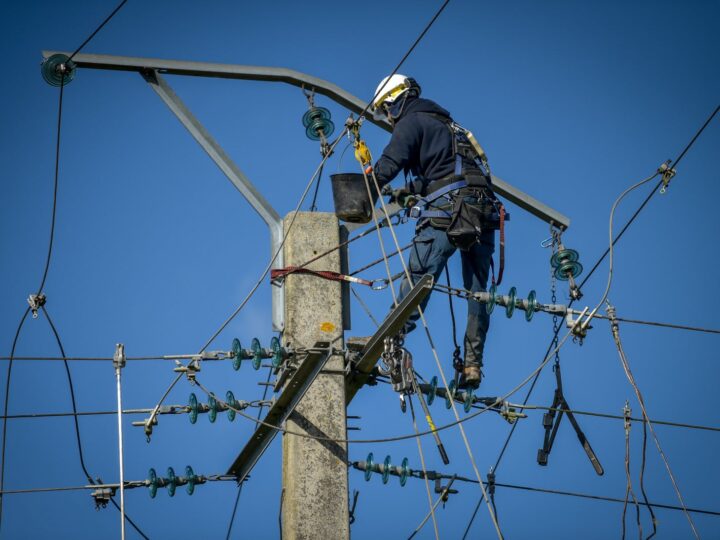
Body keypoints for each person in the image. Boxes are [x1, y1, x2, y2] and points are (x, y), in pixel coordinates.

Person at [370, 74, 501, 389]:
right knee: (477, 292)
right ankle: (472, 364)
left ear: (396, 100)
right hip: (483, 210)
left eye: (386, 110)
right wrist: (410, 190)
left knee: (419, 278)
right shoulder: (453, 128)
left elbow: (389, 164)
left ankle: (391, 341)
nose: (388, 118)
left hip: (448, 211)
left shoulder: (411, 122)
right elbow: (448, 170)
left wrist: (364, 189)